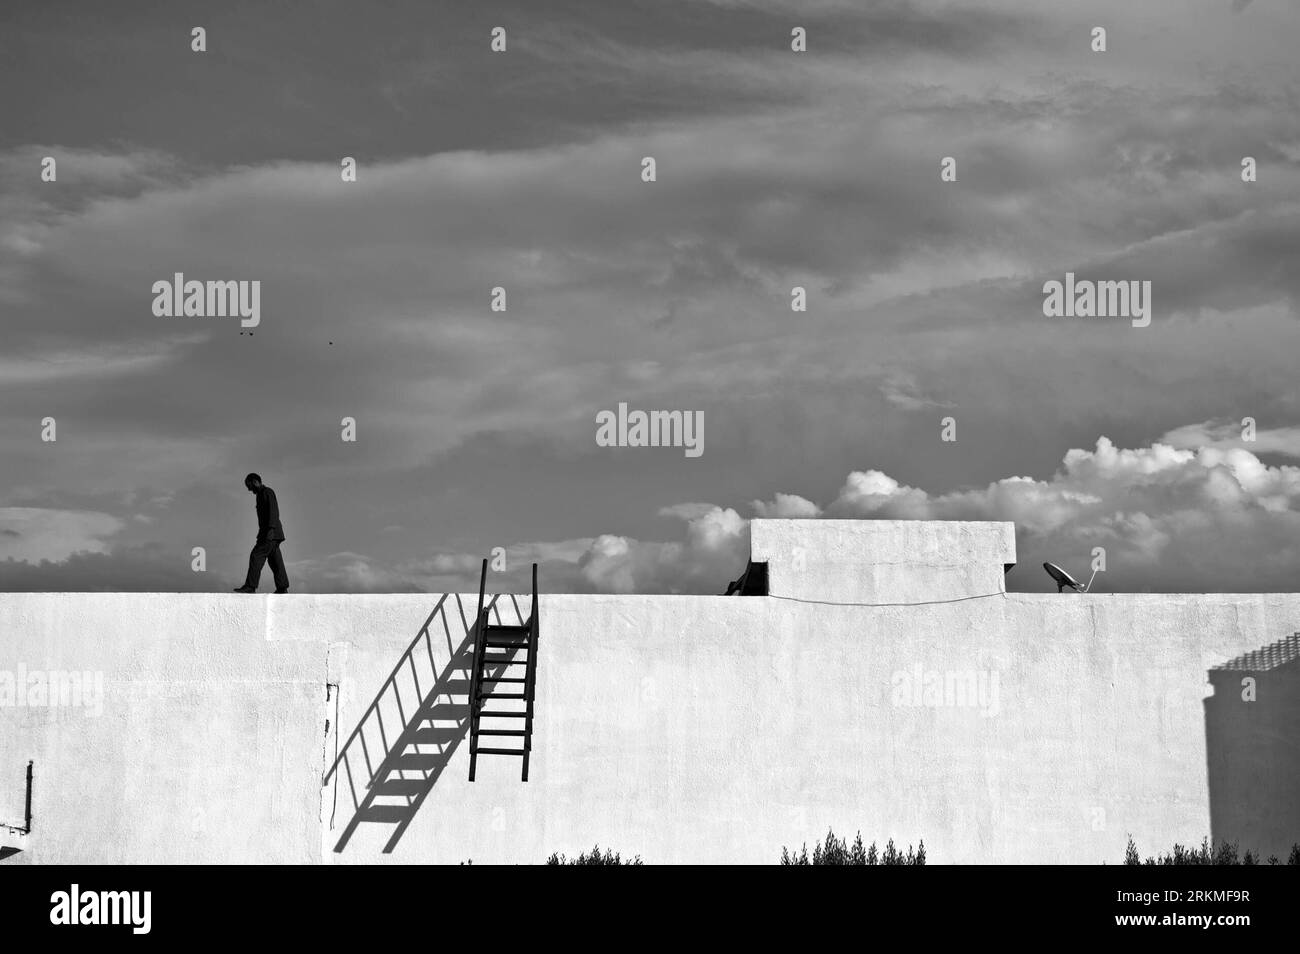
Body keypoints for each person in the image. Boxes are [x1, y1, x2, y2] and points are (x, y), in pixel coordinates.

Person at [233, 473, 289, 594]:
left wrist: (270, 530)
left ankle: (250, 586)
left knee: (256, 556)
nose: (248, 489)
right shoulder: (260, 495)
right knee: (274, 560)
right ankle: (282, 587)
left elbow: (273, 511)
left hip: (270, 533)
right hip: (272, 534)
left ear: (255, 482)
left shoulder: (267, 492)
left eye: (248, 485)